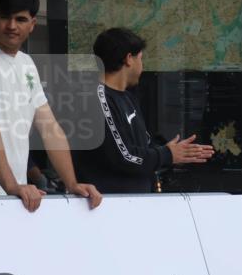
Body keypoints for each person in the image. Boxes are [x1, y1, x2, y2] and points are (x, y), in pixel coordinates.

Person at [0, 0, 102, 212]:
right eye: (5, 17)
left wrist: (71, 183)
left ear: (33, 24)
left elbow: (50, 127)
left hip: (16, 194)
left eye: (21, 19)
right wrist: (11, 185)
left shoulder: (26, 63)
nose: (12, 26)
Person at [73, 28, 213, 193]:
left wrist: (172, 152)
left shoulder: (127, 97)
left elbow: (143, 145)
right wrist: (167, 154)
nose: (142, 66)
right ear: (129, 59)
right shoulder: (97, 99)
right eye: (141, 58)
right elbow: (124, 156)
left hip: (138, 200)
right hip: (110, 203)